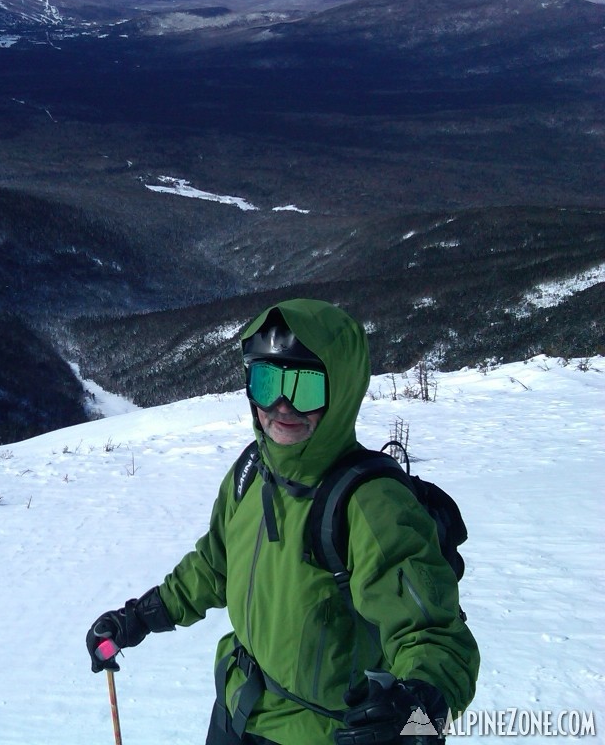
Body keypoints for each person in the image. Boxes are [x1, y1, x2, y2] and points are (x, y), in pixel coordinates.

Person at [85, 298, 479, 744]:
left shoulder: (371, 504)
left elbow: (434, 636)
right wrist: (139, 616)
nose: (281, 405)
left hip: (322, 734)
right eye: (266, 380)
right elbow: (215, 564)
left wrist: (417, 707)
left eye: (305, 387)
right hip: (237, 709)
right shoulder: (253, 471)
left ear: (342, 390)